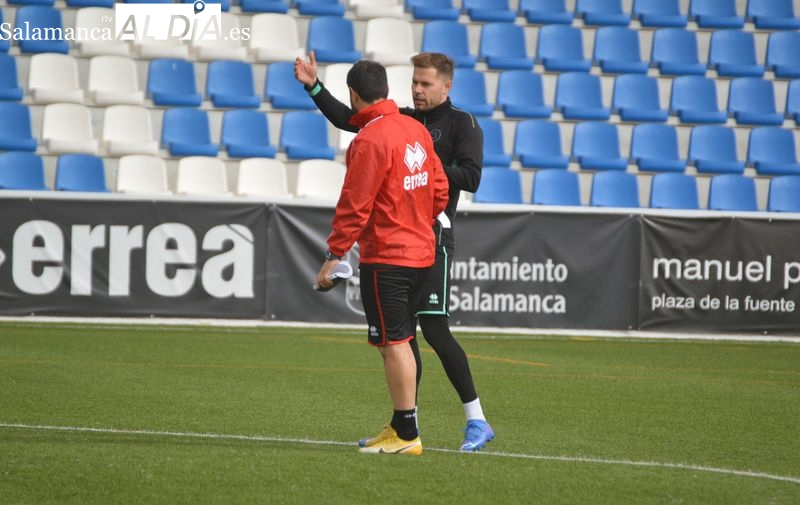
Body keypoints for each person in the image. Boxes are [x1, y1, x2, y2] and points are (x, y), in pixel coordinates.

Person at [297, 52, 495, 451]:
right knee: (404, 337)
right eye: (415, 83)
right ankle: (405, 423)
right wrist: (314, 87)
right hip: (410, 235)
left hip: (428, 234)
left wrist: (419, 182)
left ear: (446, 86)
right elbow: (349, 117)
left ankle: (475, 419)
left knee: (431, 330)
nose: (418, 90)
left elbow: (470, 177)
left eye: (426, 84)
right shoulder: (403, 122)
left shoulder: (460, 124)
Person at [315, 60, 449, 455]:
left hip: (387, 258)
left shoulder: (369, 139)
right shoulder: (415, 129)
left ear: (354, 95)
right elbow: (439, 188)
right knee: (403, 339)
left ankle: (407, 434)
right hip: (422, 253)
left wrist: (333, 256)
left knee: (394, 344)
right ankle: (399, 425)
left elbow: (354, 206)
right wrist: (417, 221)